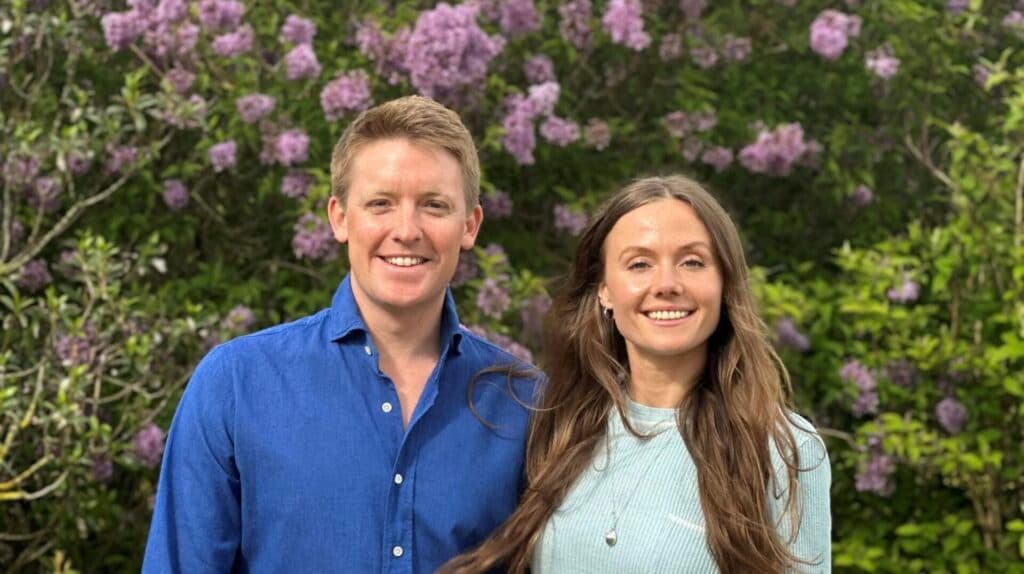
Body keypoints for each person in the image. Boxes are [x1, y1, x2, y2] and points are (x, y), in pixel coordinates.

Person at [143, 96, 536, 573]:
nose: (406, 230)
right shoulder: (235, 385)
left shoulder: (524, 402)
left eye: (433, 205)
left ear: (469, 225)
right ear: (339, 218)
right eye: (381, 204)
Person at [443, 175, 832, 573]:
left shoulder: (783, 449)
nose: (666, 284)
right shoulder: (558, 427)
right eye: (640, 264)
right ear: (604, 289)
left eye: (692, 262)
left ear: (724, 282)